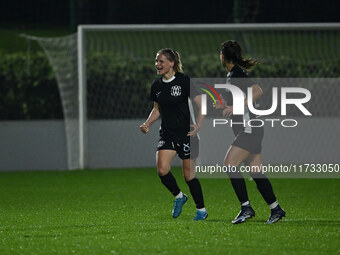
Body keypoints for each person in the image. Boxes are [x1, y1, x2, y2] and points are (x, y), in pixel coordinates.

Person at [218, 40, 285, 224]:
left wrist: (236, 105)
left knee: (229, 165)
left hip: (249, 129)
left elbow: (257, 91)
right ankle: (276, 209)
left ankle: (246, 208)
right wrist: (226, 106)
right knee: (256, 172)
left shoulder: (237, 73)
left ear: (223, 56)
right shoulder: (234, 74)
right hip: (251, 128)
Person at [140, 48, 208, 220]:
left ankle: (201, 210)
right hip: (168, 134)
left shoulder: (184, 81)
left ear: (172, 63)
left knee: (188, 175)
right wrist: (147, 123)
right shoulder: (157, 85)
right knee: (162, 170)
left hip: (187, 135)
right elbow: (157, 109)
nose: (157, 64)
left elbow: (202, 104)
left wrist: (198, 125)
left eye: (161, 61)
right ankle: (179, 196)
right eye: (156, 61)